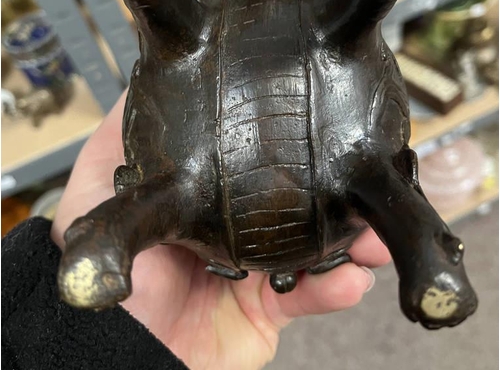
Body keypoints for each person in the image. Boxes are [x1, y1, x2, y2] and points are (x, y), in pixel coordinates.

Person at [2, 91, 391, 370]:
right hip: (233, 219)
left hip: (214, 221)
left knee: (173, 193)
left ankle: (105, 242)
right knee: (175, 193)